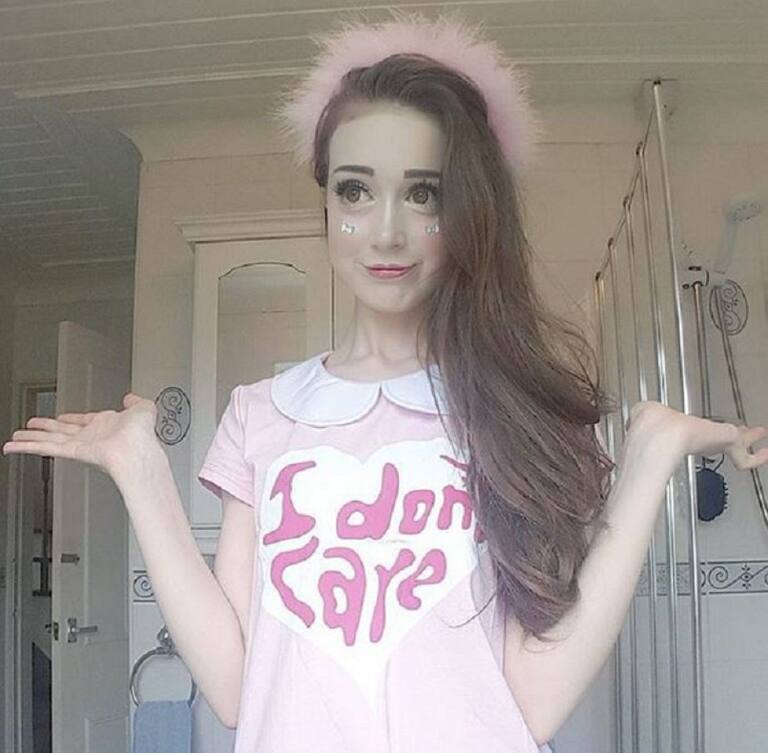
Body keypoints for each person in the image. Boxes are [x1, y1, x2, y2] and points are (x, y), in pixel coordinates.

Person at [3, 10, 767, 753]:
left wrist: (649, 459)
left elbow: (530, 701)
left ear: (466, 213)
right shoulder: (260, 414)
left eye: (422, 192)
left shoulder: (501, 412)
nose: (385, 229)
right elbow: (237, 687)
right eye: (356, 190)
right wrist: (140, 469)